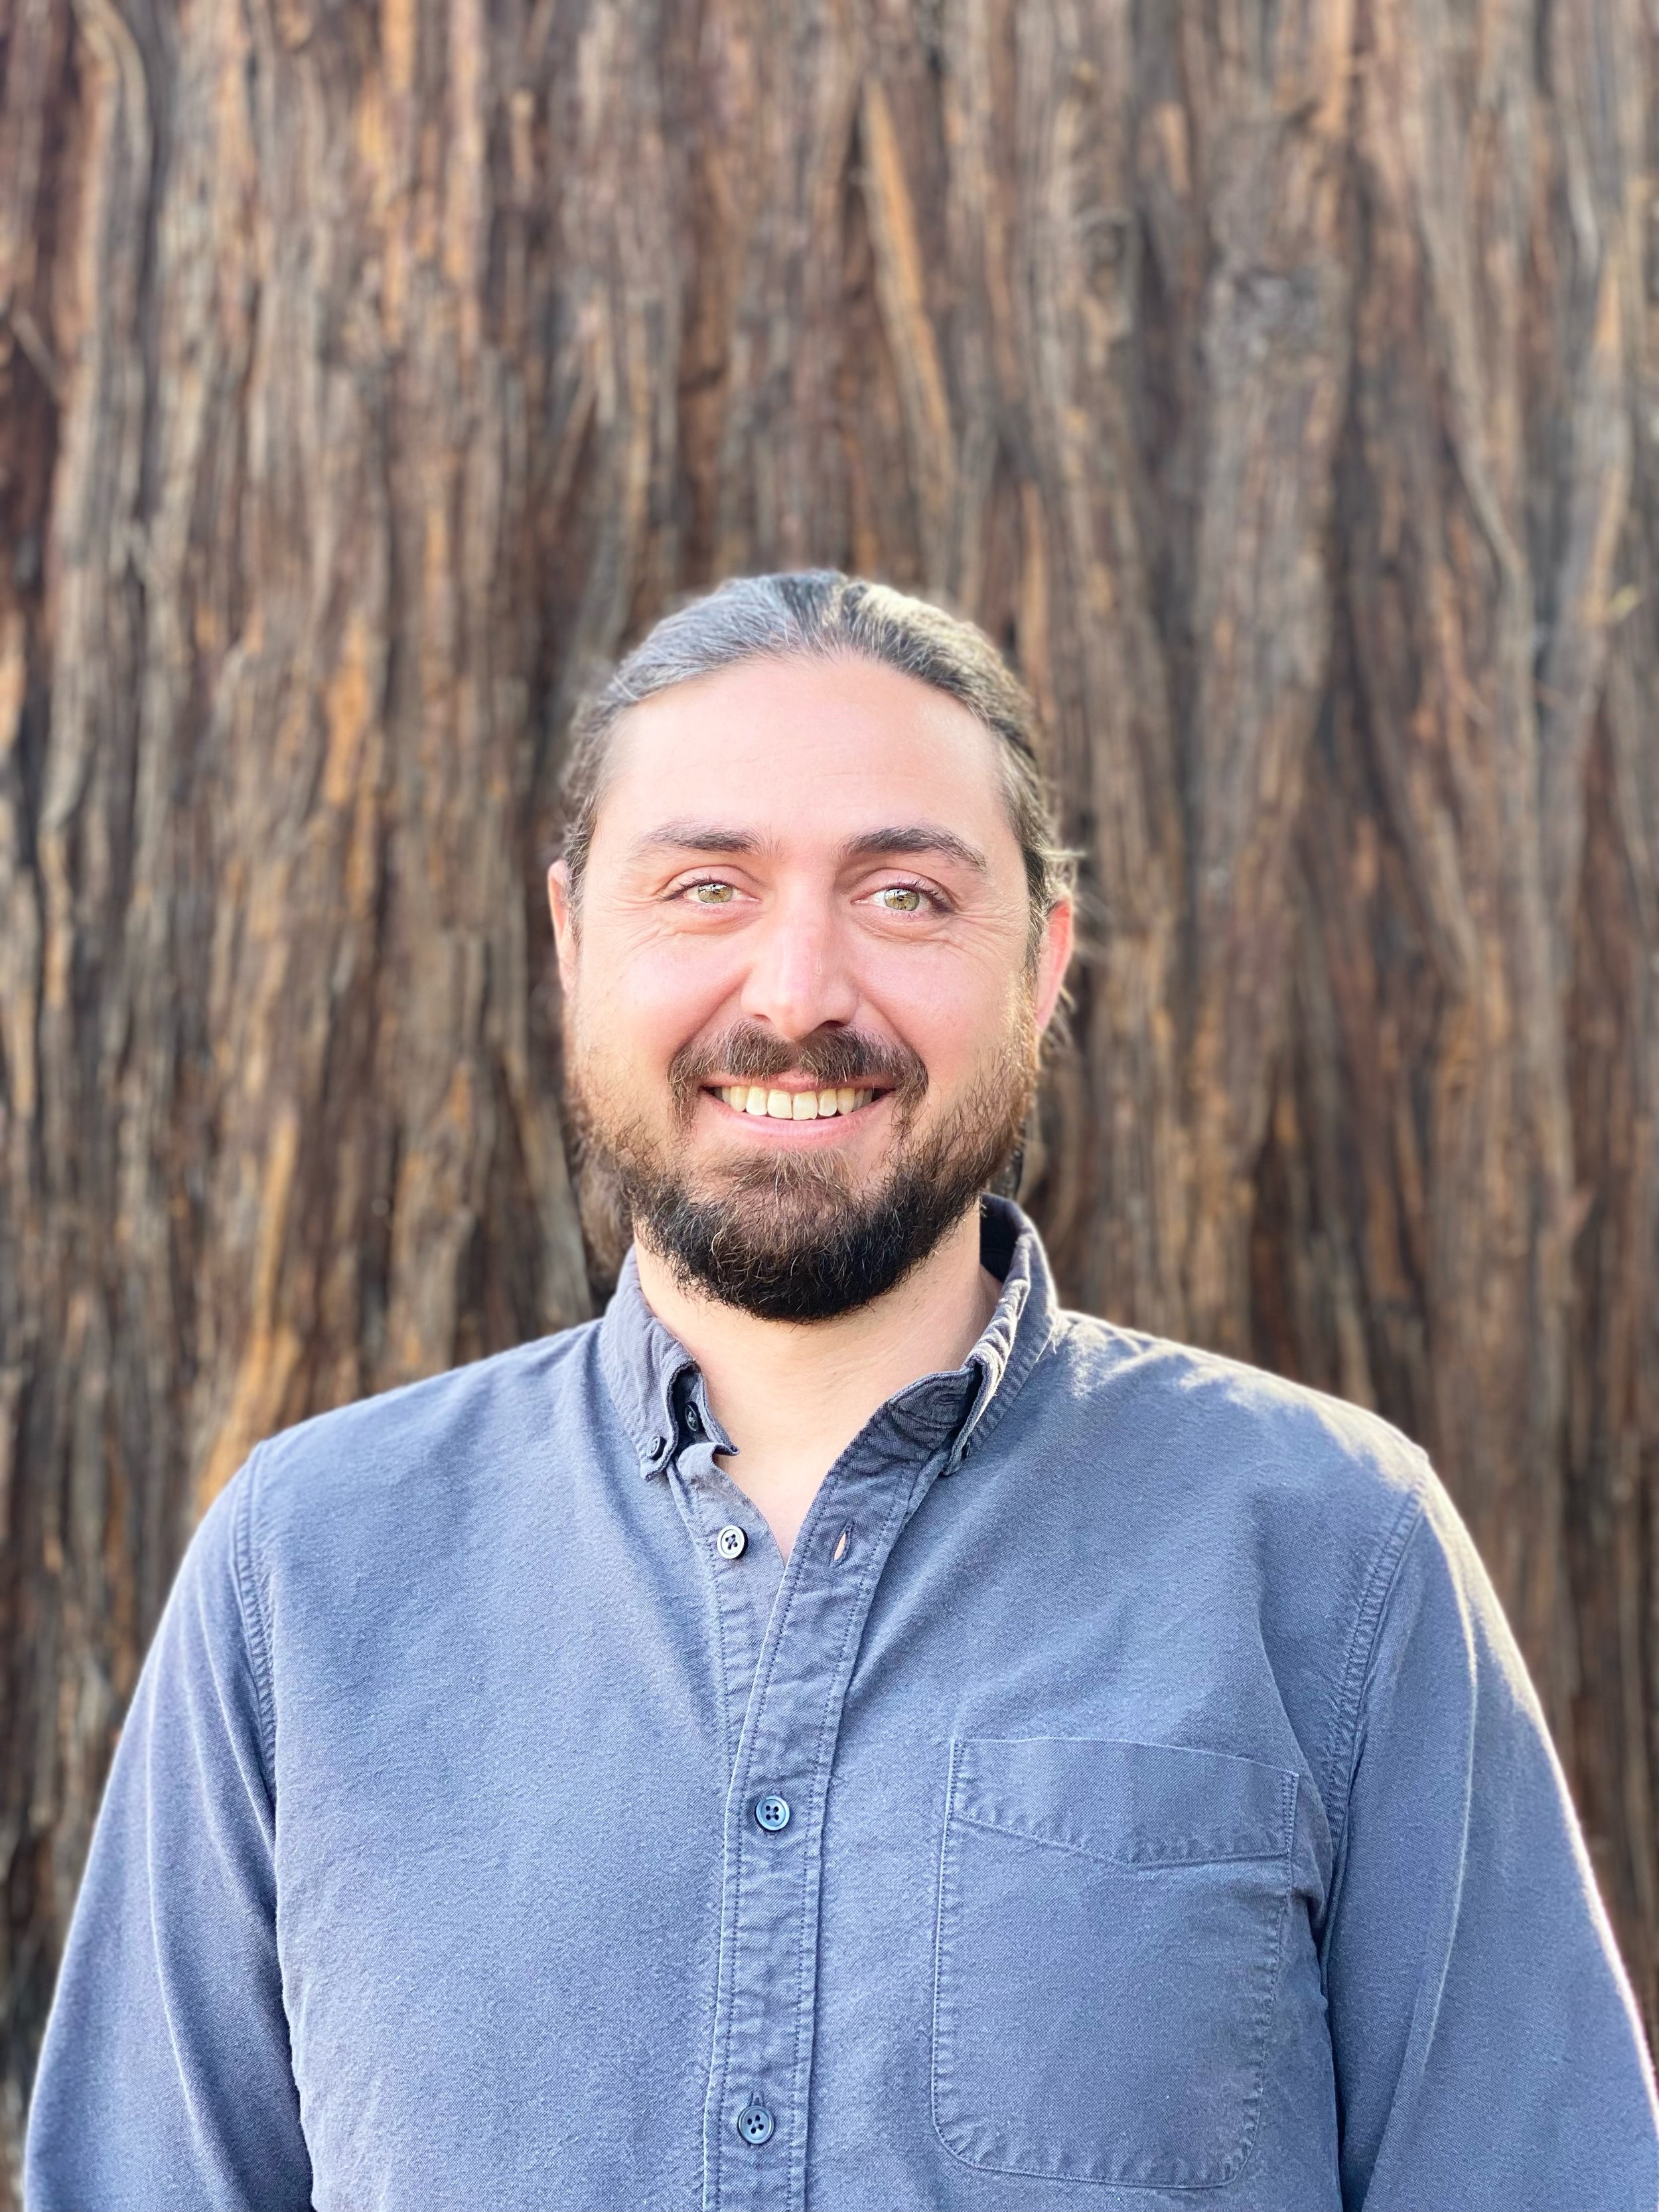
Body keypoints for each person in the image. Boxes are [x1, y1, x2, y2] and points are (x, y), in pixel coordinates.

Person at [25, 572, 1658, 2212]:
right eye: (707, 885)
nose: (796, 992)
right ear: (572, 938)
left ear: (1043, 963)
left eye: (903, 896)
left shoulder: (1336, 1556)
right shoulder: (304, 1574)